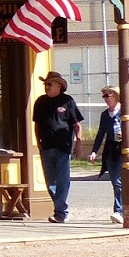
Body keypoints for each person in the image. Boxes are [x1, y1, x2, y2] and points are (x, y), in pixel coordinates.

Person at [31, 71, 83, 223]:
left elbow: (76, 124)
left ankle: (60, 212)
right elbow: (37, 125)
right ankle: (61, 209)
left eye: (49, 84)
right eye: (45, 84)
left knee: (62, 180)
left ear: (59, 86)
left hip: (63, 146)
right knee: (50, 182)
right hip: (46, 147)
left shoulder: (68, 101)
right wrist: (38, 143)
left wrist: (79, 143)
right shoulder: (40, 102)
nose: (46, 87)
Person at [92, 85, 129, 225]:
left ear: (116, 96)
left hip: (123, 150)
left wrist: (126, 135)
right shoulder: (105, 115)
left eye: (108, 95)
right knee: (115, 182)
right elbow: (100, 134)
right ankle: (120, 210)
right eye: (103, 96)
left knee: (119, 182)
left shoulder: (125, 112)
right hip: (110, 150)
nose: (105, 99)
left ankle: (120, 211)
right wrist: (94, 151)